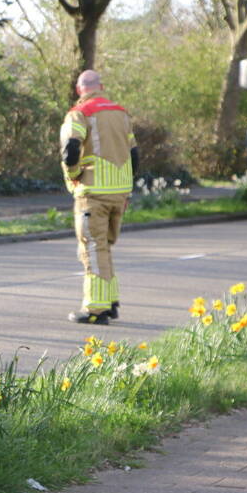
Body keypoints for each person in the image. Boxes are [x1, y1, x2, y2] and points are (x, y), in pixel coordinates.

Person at [60, 69, 138, 325]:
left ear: (79, 90)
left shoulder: (80, 113)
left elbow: (71, 149)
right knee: (104, 246)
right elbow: (134, 154)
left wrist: (74, 175)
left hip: (93, 192)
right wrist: (127, 186)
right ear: (101, 87)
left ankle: (96, 309)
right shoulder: (121, 113)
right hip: (119, 191)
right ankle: (111, 301)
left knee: (92, 249)